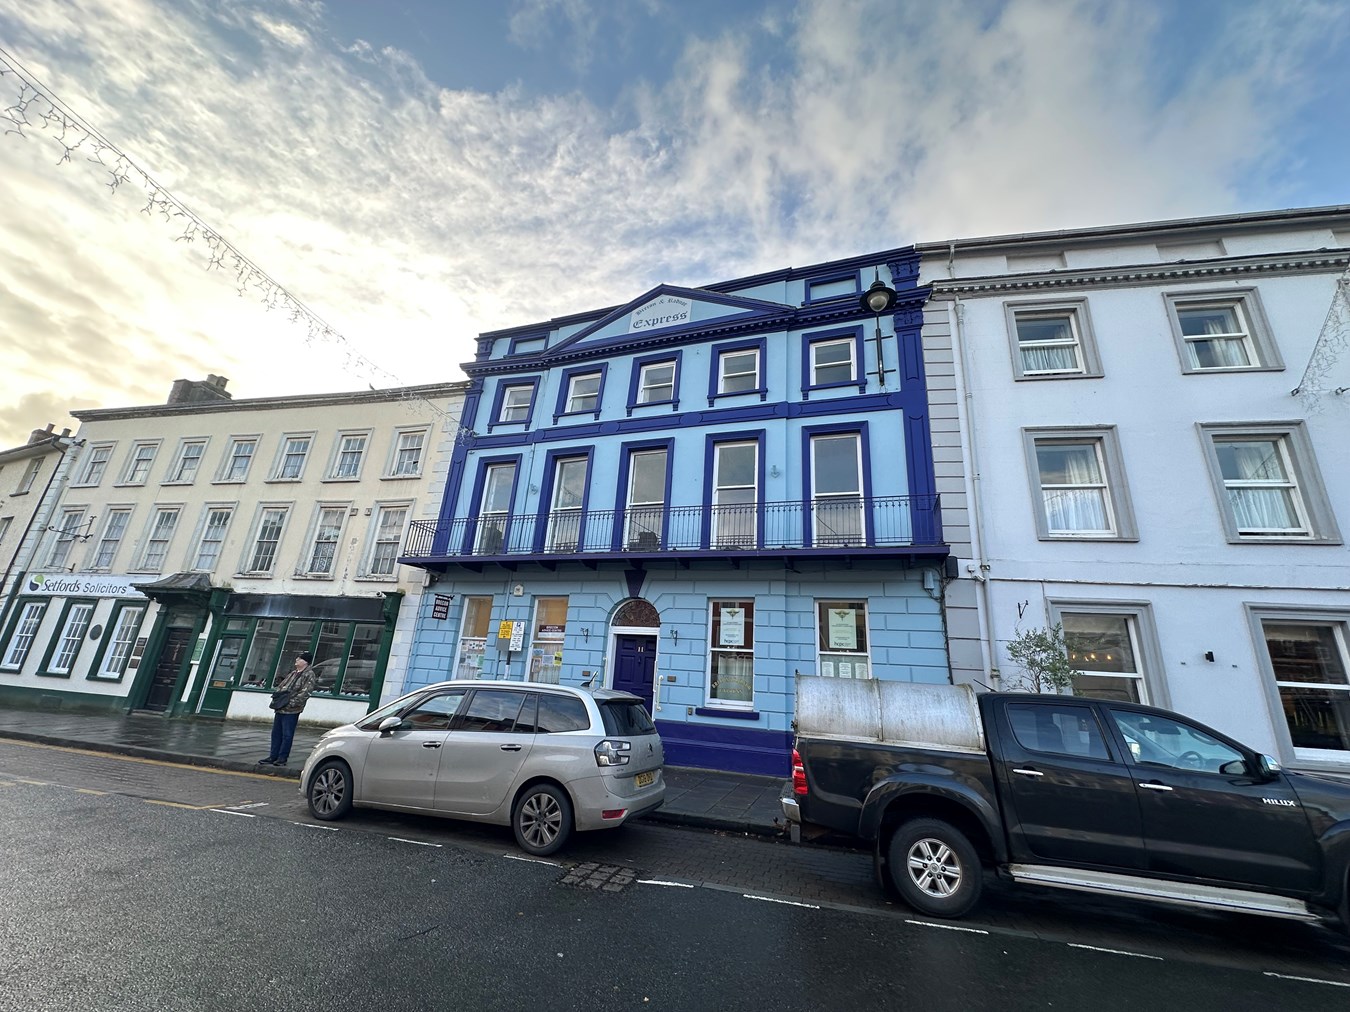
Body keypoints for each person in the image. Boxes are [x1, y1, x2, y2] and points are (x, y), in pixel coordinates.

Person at [258, 652, 318, 767]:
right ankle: (273, 756)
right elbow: (282, 686)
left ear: (305, 662)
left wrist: (291, 703)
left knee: (287, 734)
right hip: (281, 708)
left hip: (292, 710)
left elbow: (305, 692)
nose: (297, 660)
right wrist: (277, 697)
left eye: (299, 659)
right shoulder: (293, 673)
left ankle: (282, 758)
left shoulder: (309, 675)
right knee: (276, 733)